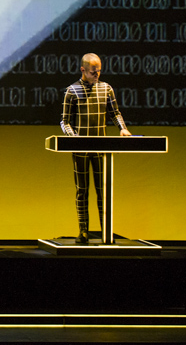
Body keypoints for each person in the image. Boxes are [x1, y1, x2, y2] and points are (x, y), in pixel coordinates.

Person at [60, 53, 131, 244]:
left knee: (103, 190)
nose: (97, 74)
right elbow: (64, 121)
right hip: (80, 148)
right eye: (93, 72)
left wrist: (123, 128)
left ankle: (105, 231)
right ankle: (83, 230)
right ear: (83, 70)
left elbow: (115, 112)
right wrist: (73, 137)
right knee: (82, 190)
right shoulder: (72, 91)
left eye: (99, 71)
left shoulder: (106, 89)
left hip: (101, 148)